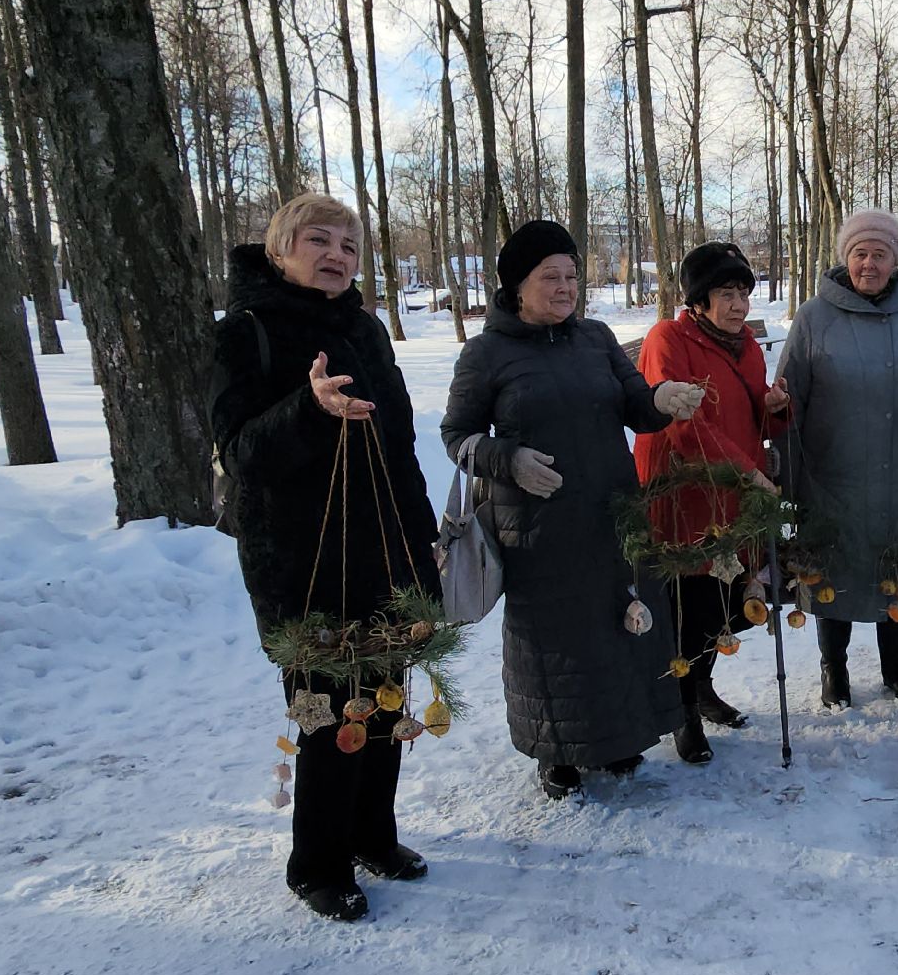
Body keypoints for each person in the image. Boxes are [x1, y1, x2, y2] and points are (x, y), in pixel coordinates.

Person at [210, 194, 440, 922]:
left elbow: (399, 441)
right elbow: (239, 454)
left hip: (383, 550)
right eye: (319, 240)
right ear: (280, 249)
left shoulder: (366, 330)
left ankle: (375, 836)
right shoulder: (244, 333)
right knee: (330, 713)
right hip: (301, 561)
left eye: (349, 244)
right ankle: (317, 863)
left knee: (385, 704)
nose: (337, 254)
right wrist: (309, 408)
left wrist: (420, 537)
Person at [440, 220, 706, 798]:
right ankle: (553, 752)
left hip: (613, 512)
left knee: (618, 625)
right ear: (515, 286)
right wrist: (507, 458)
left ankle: (618, 739)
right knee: (554, 639)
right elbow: (456, 436)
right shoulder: (487, 353)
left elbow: (635, 404)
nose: (565, 287)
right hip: (537, 524)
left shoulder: (596, 338)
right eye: (549, 277)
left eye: (571, 276)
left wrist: (662, 400)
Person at [778, 208, 898, 707]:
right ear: (846, 258)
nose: (869, 264)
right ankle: (832, 668)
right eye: (860, 253)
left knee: (894, 568)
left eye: (880, 254)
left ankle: (895, 666)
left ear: (896, 261)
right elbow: (788, 398)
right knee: (832, 569)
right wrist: (788, 475)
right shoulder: (814, 316)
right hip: (834, 473)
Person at [633, 242, 790, 763]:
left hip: (735, 495)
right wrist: (749, 475)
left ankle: (700, 686)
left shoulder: (744, 344)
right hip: (684, 496)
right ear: (699, 299)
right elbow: (682, 426)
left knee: (724, 604)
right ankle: (681, 711)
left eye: (744, 292)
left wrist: (775, 408)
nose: (740, 304)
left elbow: (752, 420)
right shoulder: (667, 339)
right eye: (726, 293)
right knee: (688, 607)